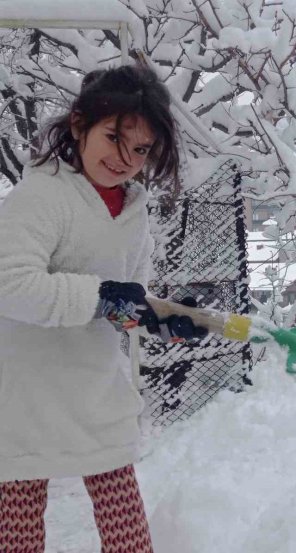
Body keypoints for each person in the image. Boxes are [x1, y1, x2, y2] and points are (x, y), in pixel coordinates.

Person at [0, 64, 205, 552]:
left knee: (128, 534)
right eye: (113, 137)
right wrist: (99, 297)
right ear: (79, 125)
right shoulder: (40, 197)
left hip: (95, 390)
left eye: (140, 149)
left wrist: (158, 317)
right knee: (19, 533)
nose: (124, 158)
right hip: (25, 394)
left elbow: (124, 297)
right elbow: (9, 283)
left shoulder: (132, 210)